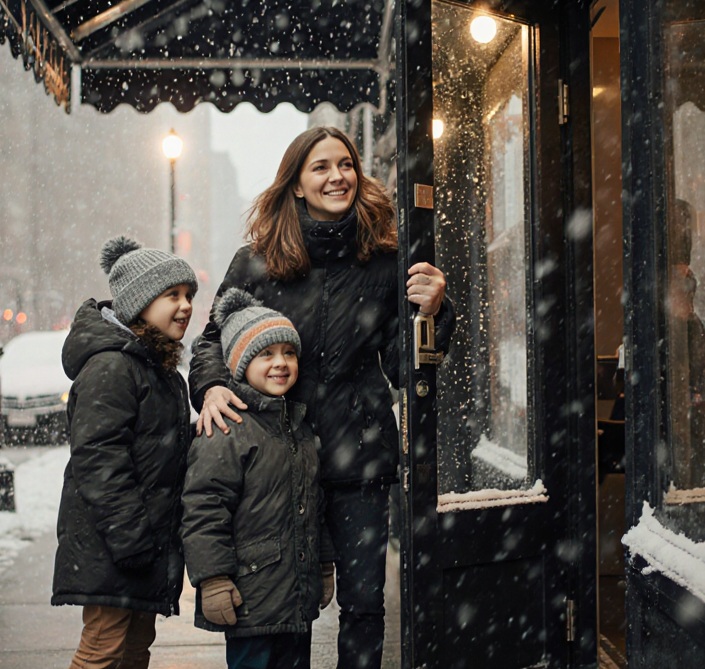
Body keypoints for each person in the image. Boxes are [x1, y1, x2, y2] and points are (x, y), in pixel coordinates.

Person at [189, 126, 455, 669]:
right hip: (279, 460)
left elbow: (408, 369)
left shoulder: (385, 261)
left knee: (363, 607)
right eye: (320, 167)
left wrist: (435, 314)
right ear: (296, 185)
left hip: (361, 457)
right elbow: (213, 339)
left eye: (346, 164)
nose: (337, 176)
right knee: (287, 609)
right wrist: (213, 384)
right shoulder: (258, 261)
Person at [52, 236, 198, 669]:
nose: (186, 305)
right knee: (103, 649)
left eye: (188, 295)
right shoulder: (113, 366)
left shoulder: (160, 369)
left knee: (135, 648)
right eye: (172, 295)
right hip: (114, 543)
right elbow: (98, 457)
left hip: (143, 542)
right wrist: (131, 535)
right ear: (139, 304)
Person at [182, 288, 335, 669]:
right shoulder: (227, 428)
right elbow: (203, 507)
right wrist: (213, 579)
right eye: (265, 354)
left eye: (288, 353)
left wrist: (323, 565)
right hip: (250, 597)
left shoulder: (298, 427)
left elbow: (315, 504)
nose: (280, 363)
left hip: (296, 595)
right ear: (240, 364)